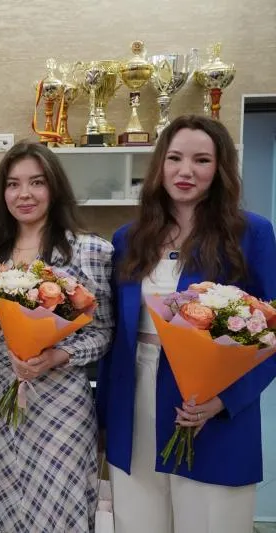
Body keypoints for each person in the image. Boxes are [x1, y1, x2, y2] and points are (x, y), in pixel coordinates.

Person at [97, 115, 276, 533]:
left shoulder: (250, 233)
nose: (186, 171)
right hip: (133, 400)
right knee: (137, 522)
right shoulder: (129, 238)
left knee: (209, 521)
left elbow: (272, 331)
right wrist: (103, 417)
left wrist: (226, 400)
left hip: (209, 406)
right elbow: (115, 335)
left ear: (220, 168)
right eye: (175, 158)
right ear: (160, 164)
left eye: (202, 160)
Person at [0, 140, 114, 532]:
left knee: (61, 514)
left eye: (37, 182)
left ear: (54, 188)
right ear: (2, 193)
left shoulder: (89, 251)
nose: (24, 194)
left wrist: (58, 356)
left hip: (62, 409)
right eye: (13, 184)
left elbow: (103, 333)